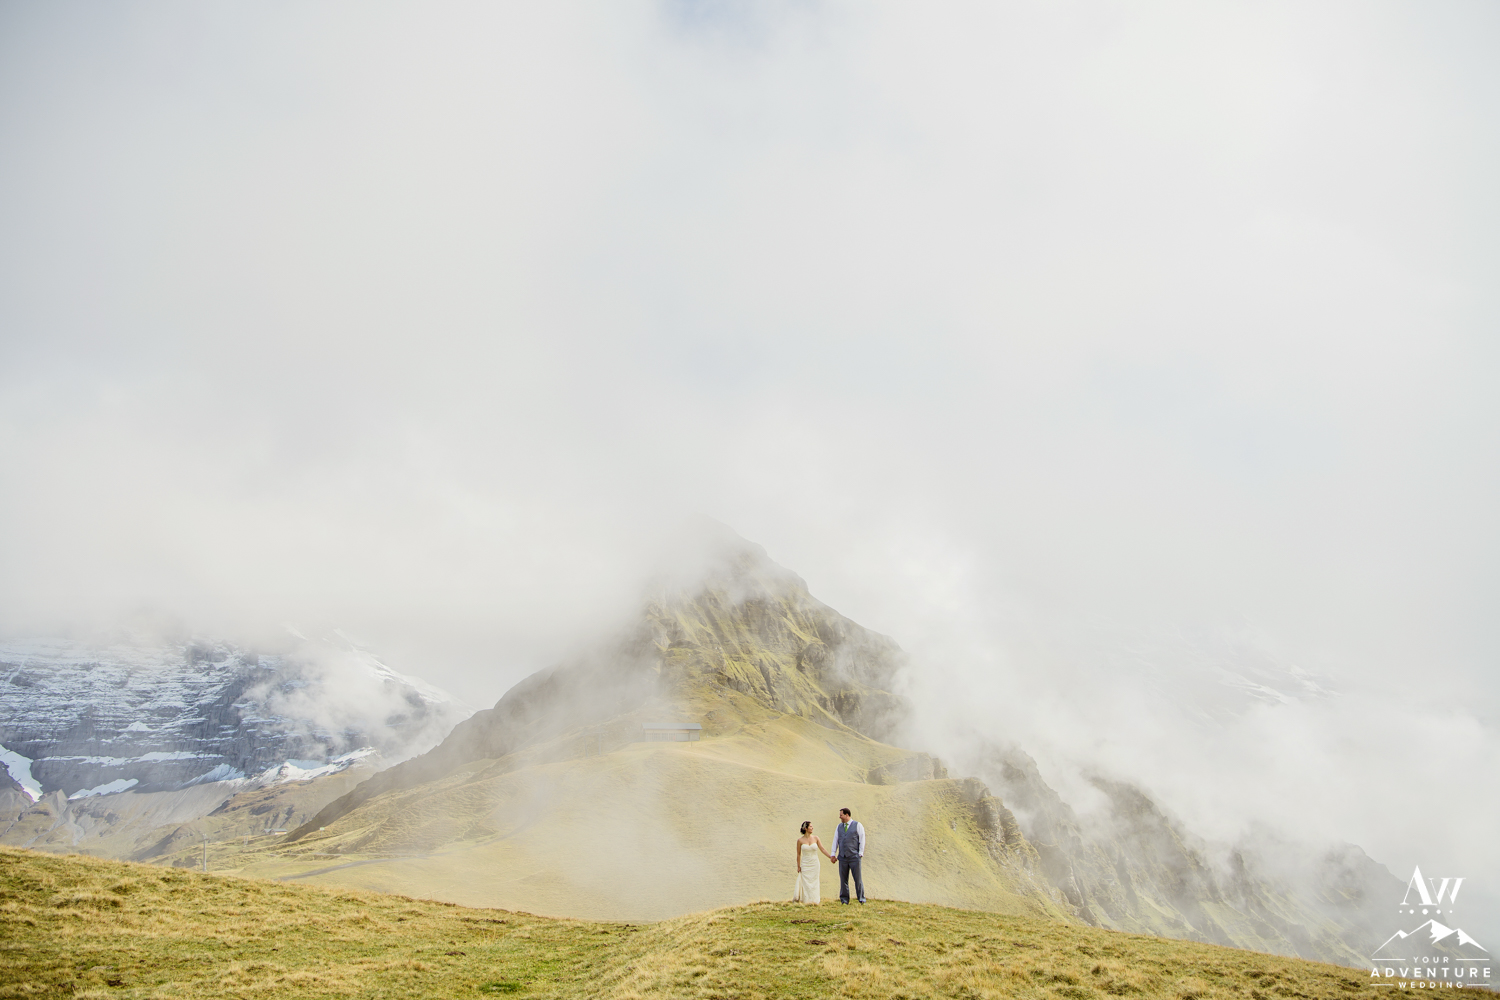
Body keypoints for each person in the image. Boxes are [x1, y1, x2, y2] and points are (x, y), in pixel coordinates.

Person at [827, 807, 866, 904]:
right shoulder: (839, 827)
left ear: (847, 815)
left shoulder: (858, 825)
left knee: (858, 879)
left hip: (854, 857)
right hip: (842, 858)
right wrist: (833, 854)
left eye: (841, 815)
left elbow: (862, 839)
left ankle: (861, 899)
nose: (839, 817)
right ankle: (844, 900)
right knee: (843, 880)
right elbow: (835, 841)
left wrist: (860, 853)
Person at [793, 820, 831, 903]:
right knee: (805, 882)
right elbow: (798, 854)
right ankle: (806, 900)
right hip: (805, 864)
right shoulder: (800, 841)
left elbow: (822, 849)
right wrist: (798, 866)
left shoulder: (816, 838)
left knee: (814, 881)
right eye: (810, 826)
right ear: (806, 828)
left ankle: (814, 900)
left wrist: (830, 857)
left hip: (814, 863)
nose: (812, 828)